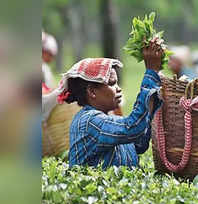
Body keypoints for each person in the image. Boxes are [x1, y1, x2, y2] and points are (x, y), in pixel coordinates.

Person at [49, 39, 163, 169]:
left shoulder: (113, 120)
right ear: (92, 91)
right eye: (112, 83)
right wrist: (150, 73)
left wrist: (153, 99)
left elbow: (140, 143)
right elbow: (132, 129)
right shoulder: (89, 121)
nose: (119, 89)